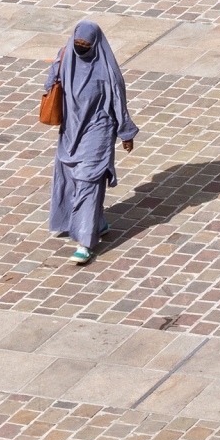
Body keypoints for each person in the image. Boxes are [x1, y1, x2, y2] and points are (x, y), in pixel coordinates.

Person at [43, 20, 138, 265]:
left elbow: (118, 100)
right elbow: (50, 82)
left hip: (99, 129)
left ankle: (85, 243)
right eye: (78, 45)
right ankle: (97, 221)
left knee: (88, 178)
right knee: (70, 176)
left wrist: (126, 133)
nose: (81, 49)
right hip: (72, 129)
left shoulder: (106, 69)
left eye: (86, 45)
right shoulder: (65, 56)